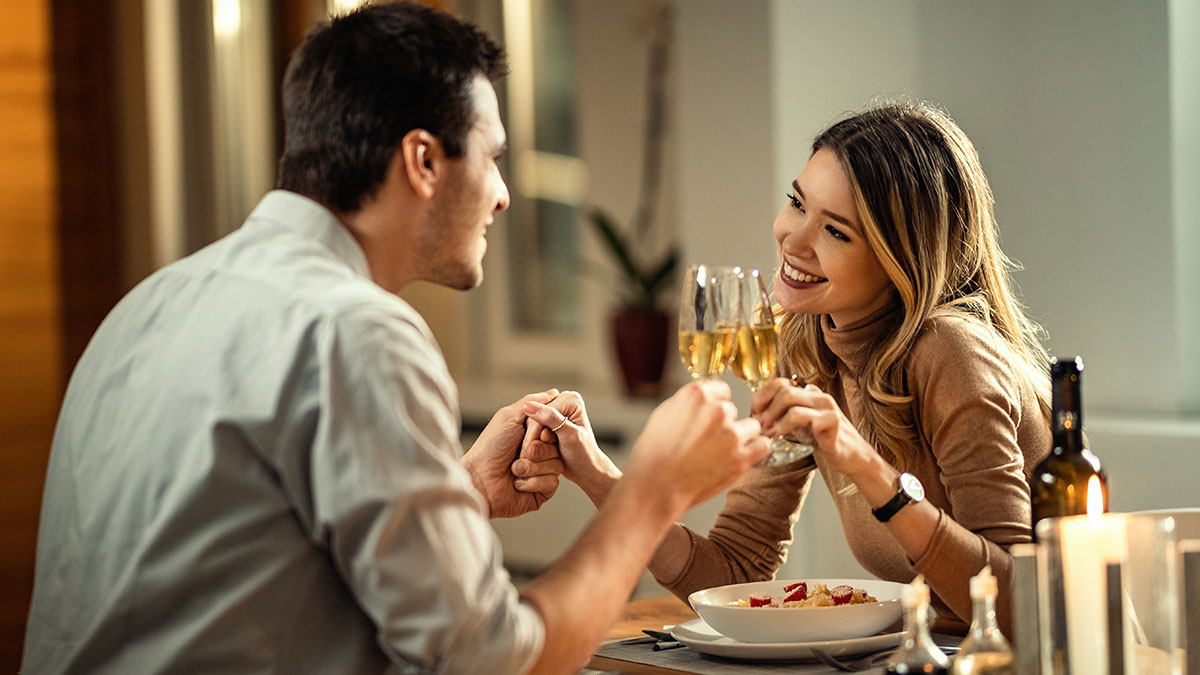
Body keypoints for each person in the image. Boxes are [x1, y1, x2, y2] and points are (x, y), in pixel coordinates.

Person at [21, 3, 768, 674]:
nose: (504, 194)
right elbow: (488, 662)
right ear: (423, 162)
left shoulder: (150, 302)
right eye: (494, 157)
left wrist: (461, 492)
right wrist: (649, 494)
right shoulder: (358, 332)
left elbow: (228, 567)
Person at [552, 101, 1052, 637]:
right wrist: (598, 475)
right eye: (797, 203)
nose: (792, 238)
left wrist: (863, 464)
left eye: (836, 232)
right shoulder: (805, 347)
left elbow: (1018, 607)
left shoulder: (951, 353)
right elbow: (736, 566)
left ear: (900, 258)